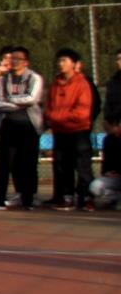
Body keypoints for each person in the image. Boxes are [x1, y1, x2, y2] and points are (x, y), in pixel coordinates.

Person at [0, 46, 45, 210]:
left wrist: (10, 100)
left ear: (26, 62)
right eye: (12, 58)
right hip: (8, 125)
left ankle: (28, 200)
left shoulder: (34, 78)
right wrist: (17, 104)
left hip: (29, 126)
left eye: (17, 59)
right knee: (5, 164)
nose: (13, 61)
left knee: (28, 164)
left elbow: (32, 99)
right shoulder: (3, 79)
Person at [45, 48, 94, 210]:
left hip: (79, 132)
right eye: (59, 60)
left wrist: (57, 117)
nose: (61, 64)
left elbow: (82, 113)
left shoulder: (82, 84)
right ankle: (67, 197)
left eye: (64, 60)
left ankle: (86, 198)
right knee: (63, 165)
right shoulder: (55, 84)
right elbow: (49, 107)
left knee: (83, 166)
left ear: (74, 64)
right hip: (60, 132)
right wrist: (51, 117)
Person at [104, 48, 121, 188]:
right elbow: (108, 108)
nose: (119, 62)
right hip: (114, 130)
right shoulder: (113, 83)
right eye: (118, 59)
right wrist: (111, 126)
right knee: (97, 189)